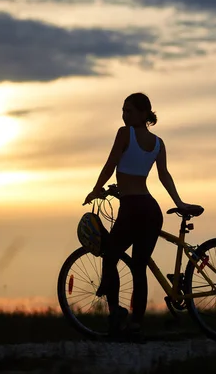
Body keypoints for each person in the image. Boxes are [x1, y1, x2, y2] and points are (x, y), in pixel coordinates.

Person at [83, 92, 202, 342]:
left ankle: (116, 315)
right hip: (151, 209)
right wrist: (178, 202)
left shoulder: (124, 133)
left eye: (128, 111)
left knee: (109, 257)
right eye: (123, 110)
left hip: (133, 209)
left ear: (143, 113)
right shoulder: (158, 143)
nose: (124, 115)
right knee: (139, 268)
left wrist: (96, 189)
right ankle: (136, 325)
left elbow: (110, 163)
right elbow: (163, 176)